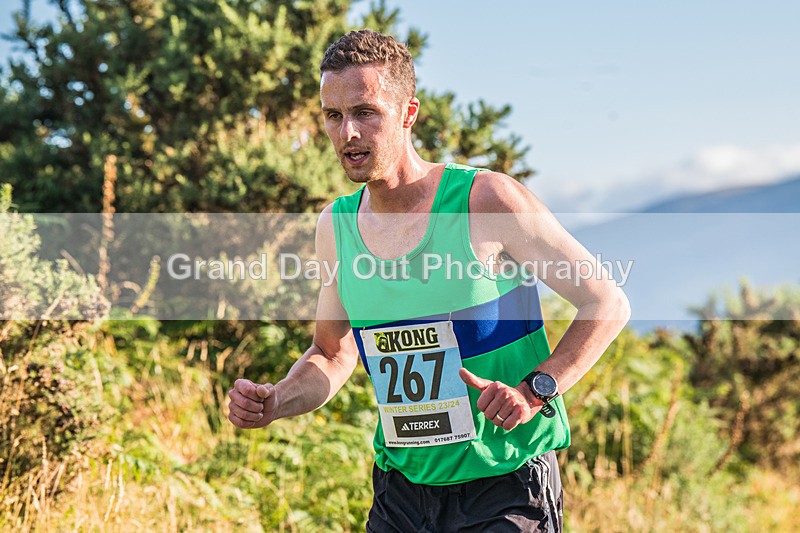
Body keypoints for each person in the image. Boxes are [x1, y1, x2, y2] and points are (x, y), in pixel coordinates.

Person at [227, 29, 630, 532]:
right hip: (401, 494)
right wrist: (278, 400)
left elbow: (606, 303)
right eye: (334, 116)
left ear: (408, 113)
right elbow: (332, 353)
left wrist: (534, 390)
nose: (347, 132)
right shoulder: (336, 226)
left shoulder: (486, 201)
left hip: (504, 485)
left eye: (365, 112)